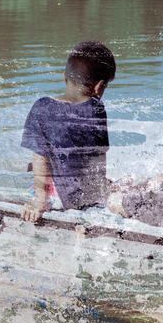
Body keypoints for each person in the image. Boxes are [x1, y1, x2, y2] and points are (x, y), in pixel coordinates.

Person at [21, 41, 116, 222]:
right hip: (84, 196)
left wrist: (40, 200)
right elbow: (98, 158)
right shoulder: (97, 108)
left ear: (64, 76)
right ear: (99, 86)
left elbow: (39, 157)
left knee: (32, 166)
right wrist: (101, 190)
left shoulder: (41, 107)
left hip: (54, 196)